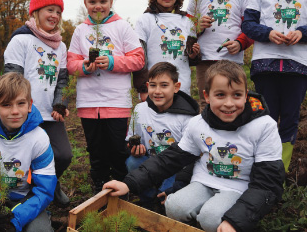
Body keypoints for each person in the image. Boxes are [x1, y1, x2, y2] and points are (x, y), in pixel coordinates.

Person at [104, 60, 285, 232]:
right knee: (174, 207)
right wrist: (129, 183)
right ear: (207, 96)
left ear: (246, 95)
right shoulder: (198, 124)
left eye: (237, 95)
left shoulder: (263, 126)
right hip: (204, 180)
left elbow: (267, 182)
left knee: (211, 218)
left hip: (239, 187)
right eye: (220, 95)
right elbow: (170, 159)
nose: (229, 103)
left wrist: (236, 220)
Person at [67, 0, 145, 193]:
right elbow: (71, 64)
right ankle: (99, 185)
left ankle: (121, 185)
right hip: (88, 102)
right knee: (95, 149)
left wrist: (112, 62)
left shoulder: (121, 26)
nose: (98, 6)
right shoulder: (80, 30)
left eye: (103, 1)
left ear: (111, 1)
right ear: (85, 3)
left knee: (118, 149)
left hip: (116, 101)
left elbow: (138, 59)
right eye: (92, 1)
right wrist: (84, 67)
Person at [241, 0, 307, 172]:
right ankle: (260, 168)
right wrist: (267, 33)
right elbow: (248, 24)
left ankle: (280, 172)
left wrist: (303, 32)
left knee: (289, 119)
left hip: (298, 66)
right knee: (264, 119)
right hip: (265, 63)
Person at [4, 0, 72, 207]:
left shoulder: (60, 46)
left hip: (50, 114)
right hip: (25, 113)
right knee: (25, 158)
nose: (54, 16)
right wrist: (20, 108)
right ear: (35, 12)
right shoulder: (21, 40)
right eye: (49, 10)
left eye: (58, 12)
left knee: (63, 155)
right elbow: (12, 80)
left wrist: (60, 103)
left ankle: (49, 185)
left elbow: (62, 80)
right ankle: (30, 194)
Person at [187, 0, 253, 108]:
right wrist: (198, 26)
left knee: (234, 103)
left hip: (232, 59)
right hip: (205, 59)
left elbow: (251, 26)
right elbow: (185, 28)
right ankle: (205, 135)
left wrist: (240, 43)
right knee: (206, 102)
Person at [0, 72, 57, 232]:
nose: (15, 111)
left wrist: (15, 219)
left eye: (20, 103)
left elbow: (44, 189)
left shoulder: (39, 138)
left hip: (27, 199)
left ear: (29, 104)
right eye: (6, 105)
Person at [126, 62, 199, 207]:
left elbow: (190, 156)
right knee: (132, 162)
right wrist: (134, 150)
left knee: (169, 193)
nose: (157, 91)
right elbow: (131, 139)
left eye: (164, 85)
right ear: (147, 86)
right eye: (153, 85)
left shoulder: (187, 117)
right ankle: (148, 199)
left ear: (176, 87)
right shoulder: (140, 109)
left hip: (176, 167)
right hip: (150, 162)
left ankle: (163, 200)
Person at [133, 0, 200, 100]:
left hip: (181, 86)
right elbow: (140, 58)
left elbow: (191, 58)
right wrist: (143, 88)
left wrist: (193, 55)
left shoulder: (188, 21)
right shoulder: (145, 20)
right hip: (154, 88)